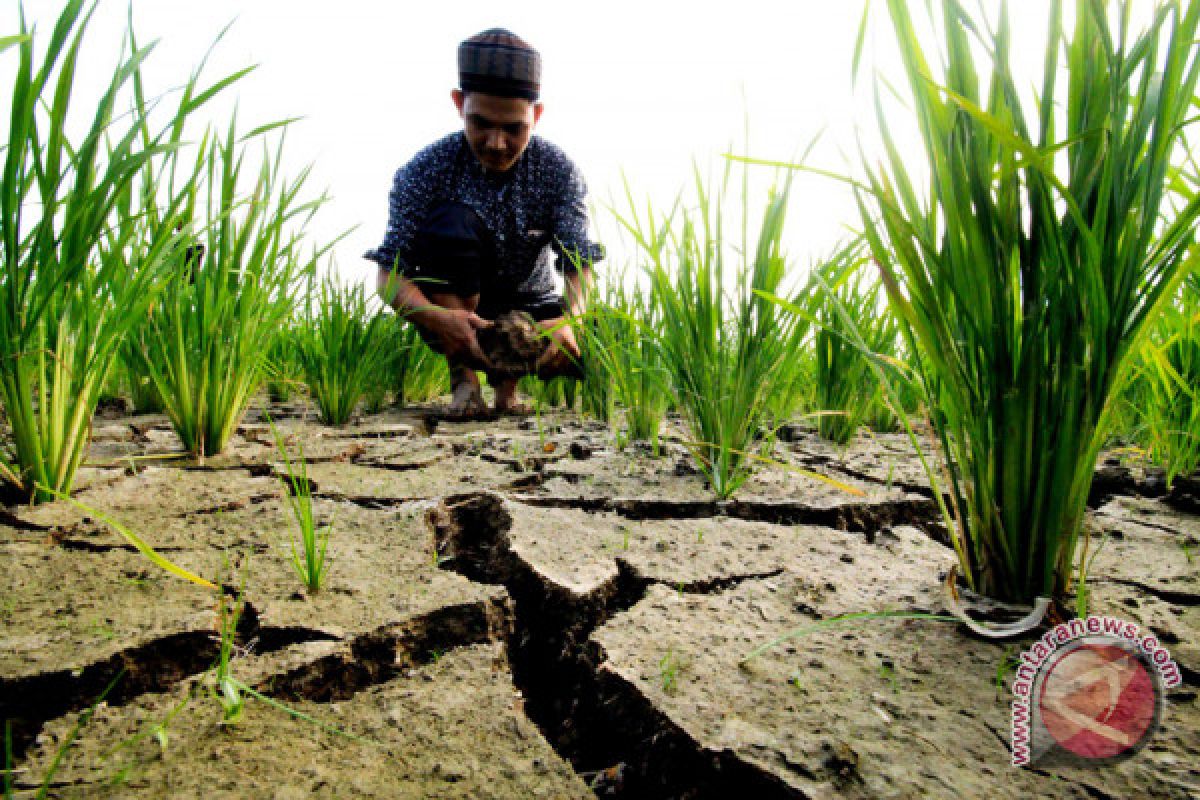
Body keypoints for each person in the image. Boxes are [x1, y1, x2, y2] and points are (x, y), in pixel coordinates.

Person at [366, 28, 603, 419]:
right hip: (454, 306)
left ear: (537, 115)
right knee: (451, 225)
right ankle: (465, 382)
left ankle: (507, 391)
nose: (496, 143)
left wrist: (569, 320)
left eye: (514, 129)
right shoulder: (424, 171)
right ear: (459, 104)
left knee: (583, 338)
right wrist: (437, 318)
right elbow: (389, 278)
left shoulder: (558, 170)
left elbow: (580, 264)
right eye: (481, 124)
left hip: (531, 312)